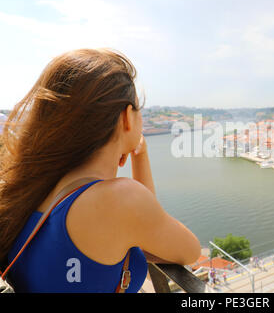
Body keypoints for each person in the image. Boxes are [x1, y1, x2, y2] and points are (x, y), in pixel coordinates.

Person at [0, 48, 201, 293]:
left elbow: (143, 225)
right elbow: (189, 251)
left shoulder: (33, 188)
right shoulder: (119, 200)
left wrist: (140, 155)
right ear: (127, 117)